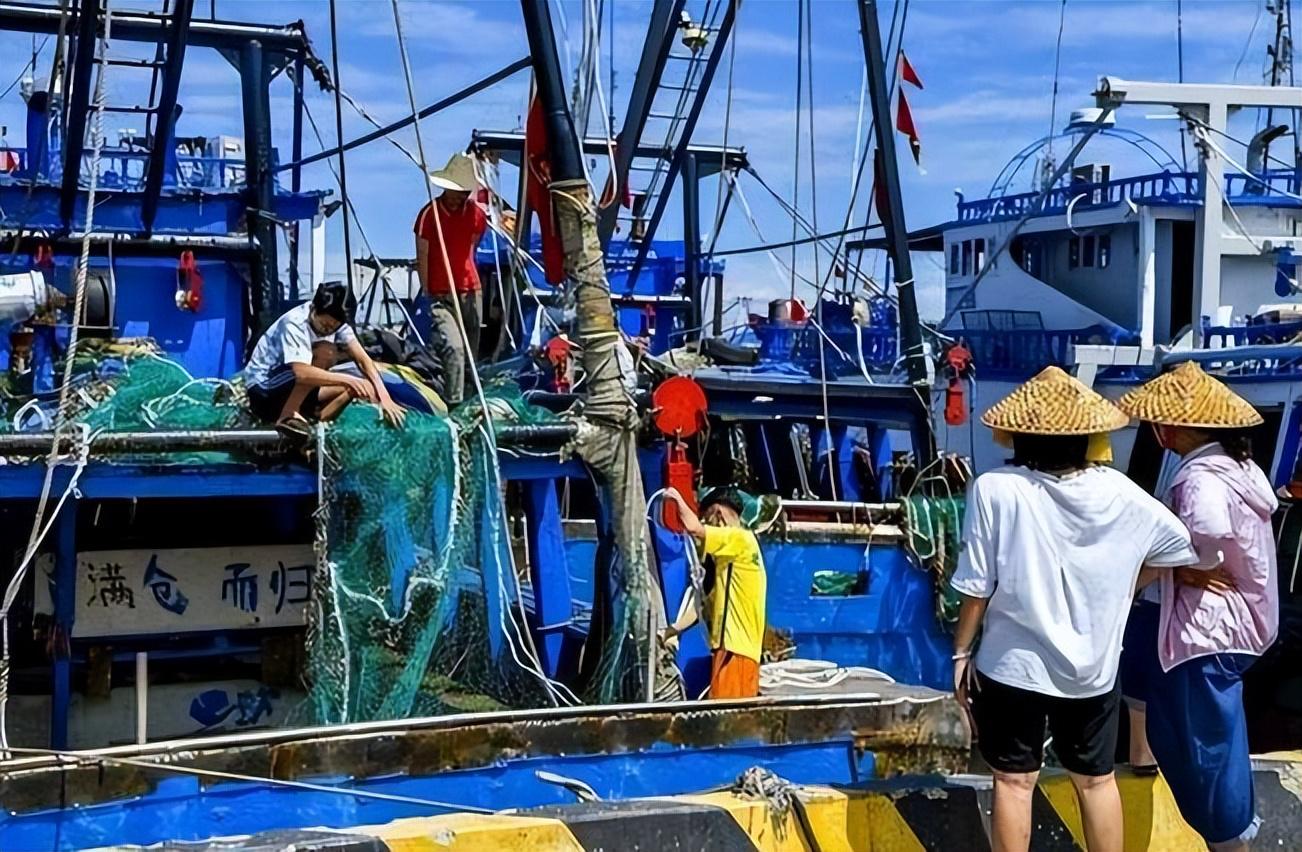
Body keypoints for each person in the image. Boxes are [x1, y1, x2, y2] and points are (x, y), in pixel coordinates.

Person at [951, 366, 1199, 852]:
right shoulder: (1120, 492)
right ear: (1089, 437)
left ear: (1018, 435)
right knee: (1097, 781)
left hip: (1011, 665)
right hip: (1094, 668)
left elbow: (977, 588)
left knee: (1014, 782)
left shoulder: (995, 488)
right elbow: (1179, 546)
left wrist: (960, 652)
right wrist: (1124, 584)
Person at [1117, 361, 1277, 851]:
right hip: (1242, 622)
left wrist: (1182, 564)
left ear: (1181, 427)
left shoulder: (1200, 479)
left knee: (1204, 751)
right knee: (1212, 738)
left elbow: (1206, 535)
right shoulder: (1238, 469)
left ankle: (1229, 843)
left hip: (1208, 629)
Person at [244, 281, 405, 434]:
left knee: (356, 388)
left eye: (333, 328)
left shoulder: (338, 325)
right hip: (264, 389)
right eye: (324, 325)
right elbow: (301, 373)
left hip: (293, 390)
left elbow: (363, 360)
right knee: (325, 351)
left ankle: (316, 421)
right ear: (313, 309)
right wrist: (349, 379)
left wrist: (384, 396)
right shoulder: (295, 322)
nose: (327, 331)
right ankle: (287, 415)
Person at [661, 487, 767, 699]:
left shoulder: (740, 539)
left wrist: (676, 497)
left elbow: (694, 528)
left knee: (728, 721)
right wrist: (671, 631)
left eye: (708, 519)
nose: (707, 526)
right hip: (733, 651)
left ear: (718, 514)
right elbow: (702, 606)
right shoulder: (729, 562)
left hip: (735, 651)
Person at [414, 152, 487, 405]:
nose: (459, 197)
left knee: (470, 355)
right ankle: (454, 403)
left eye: (464, 192)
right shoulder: (429, 215)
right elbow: (422, 254)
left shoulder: (476, 215)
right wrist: (428, 291)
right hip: (440, 295)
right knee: (453, 347)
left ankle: (470, 401)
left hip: (470, 291)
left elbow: (472, 246)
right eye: (455, 191)